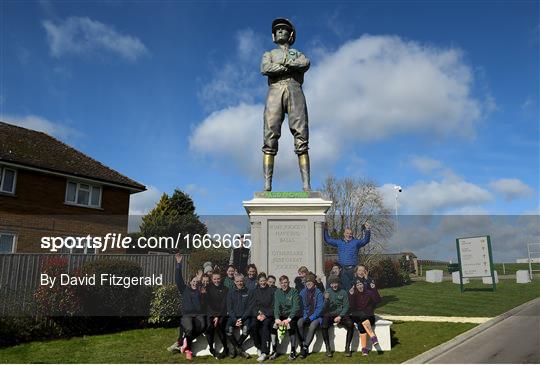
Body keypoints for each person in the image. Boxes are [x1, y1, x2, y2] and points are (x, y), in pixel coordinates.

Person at [261, 18, 311, 191]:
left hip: (295, 89)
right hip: (275, 91)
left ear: (291, 35)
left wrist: (284, 64)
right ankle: (267, 185)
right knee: (270, 134)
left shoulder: (297, 53)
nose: (280, 31)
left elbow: (305, 63)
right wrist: (289, 67)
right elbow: (265, 68)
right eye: (278, 30)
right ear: (273, 36)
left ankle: (306, 185)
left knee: (301, 134)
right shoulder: (269, 54)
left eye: (284, 29)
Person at [167, 254, 206, 361]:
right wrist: (179, 264)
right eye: (193, 281)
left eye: (196, 282)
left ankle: (181, 341)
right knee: (189, 329)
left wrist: (200, 279)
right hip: (187, 315)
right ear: (190, 282)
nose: (195, 283)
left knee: (203, 326)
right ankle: (188, 350)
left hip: (198, 315)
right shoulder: (184, 289)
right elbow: (178, 279)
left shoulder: (200, 291)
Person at [323, 222, 372, 291]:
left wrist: (367, 230)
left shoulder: (356, 242)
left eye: (350, 234)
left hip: (353, 268)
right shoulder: (339, 242)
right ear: (344, 234)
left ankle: (355, 300)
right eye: (347, 233)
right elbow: (328, 240)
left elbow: (365, 240)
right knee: (344, 286)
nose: (349, 235)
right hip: (343, 269)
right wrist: (325, 229)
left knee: (355, 286)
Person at [321, 275, 354, 357]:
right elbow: (324, 308)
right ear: (330, 284)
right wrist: (326, 300)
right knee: (324, 326)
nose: (334, 285)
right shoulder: (327, 292)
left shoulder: (343, 292)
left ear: (338, 283)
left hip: (340, 314)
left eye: (336, 283)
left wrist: (340, 316)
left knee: (350, 324)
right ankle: (328, 348)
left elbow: (346, 306)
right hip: (329, 314)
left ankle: (347, 348)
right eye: (332, 283)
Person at [348, 280, 381, 356]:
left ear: (363, 285)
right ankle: (372, 337)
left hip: (369, 317)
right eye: (358, 285)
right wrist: (351, 295)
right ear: (356, 287)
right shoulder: (354, 294)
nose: (360, 286)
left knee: (361, 324)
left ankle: (364, 349)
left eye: (360, 284)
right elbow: (351, 306)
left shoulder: (369, 293)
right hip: (359, 316)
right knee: (361, 320)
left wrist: (374, 289)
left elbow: (378, 300)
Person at [248, 273, 275, 362]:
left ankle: (265, 352)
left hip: (268, 315)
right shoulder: (254, 291)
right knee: (252, 325)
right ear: (258, 282)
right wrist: (257, 314)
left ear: (266, 281)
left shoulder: (271, 291)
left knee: (265, 326)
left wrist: (265, 315)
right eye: (261, 281)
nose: (263, 283)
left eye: (264, 281)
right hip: (258, 315)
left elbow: (273, 306)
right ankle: (258, 346)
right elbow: (252, 305)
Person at [273, 275, 301, 360]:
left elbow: (296, 307)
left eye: (285, 282)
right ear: (280, 284)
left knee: (290, 326)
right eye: (282, 283)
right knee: (273, 326)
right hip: (282, 316)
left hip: (292, 316)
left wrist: (288, 319)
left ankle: (293, 351)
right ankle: (274, 351)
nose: (284, 285)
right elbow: (276, 306)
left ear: (288, 283)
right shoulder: (277, 292)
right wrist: (277, 318)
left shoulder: (294, 291)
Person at [204, 270, 229, 359]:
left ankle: (226, 349)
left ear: (221, 279)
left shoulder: (226, 289)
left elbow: (224, 304)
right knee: (209, 327)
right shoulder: (208, 288)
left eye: (218, 279)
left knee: (219, 326)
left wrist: (218, 316)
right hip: (211, 313)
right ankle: (212, 349)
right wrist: (214, 315)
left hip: (222, 313)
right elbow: (207, 303)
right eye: (214, 279)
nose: (216, 280)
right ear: (212, 279)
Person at [225, 274, 251, 359]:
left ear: (244, 281)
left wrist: (242, 319)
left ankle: (235, 347)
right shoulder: (230, 292)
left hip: (244, 317)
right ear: (234, 282)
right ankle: (239, 349)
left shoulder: (248, 291)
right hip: (233, 317)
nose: (239, 283)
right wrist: (236, 320)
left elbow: (249, 308)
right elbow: (229, 308)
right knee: (228, 330)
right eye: (237, 281)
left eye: (241, 281)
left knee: (246, 330)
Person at [297, 274, 323, 358]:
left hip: (317, 316)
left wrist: (311, 318)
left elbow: (319, 308)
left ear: (314, 283)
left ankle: (305, 347)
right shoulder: (302, 292)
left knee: (312, 325)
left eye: (310, 283)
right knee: (299, 323)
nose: (308, 284)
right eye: (307, 283)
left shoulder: (318, 293)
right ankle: (302, 344)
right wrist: (305, 317)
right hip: (306, 315)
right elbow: (302, 307)